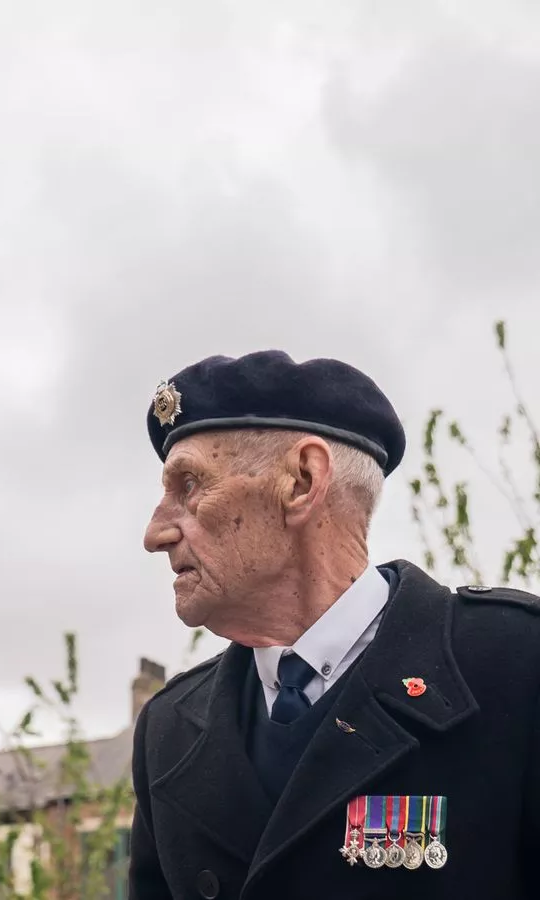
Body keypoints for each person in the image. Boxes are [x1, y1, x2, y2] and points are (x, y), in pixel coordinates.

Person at [129, 350, 540, 899]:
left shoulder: (517, 664)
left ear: (302, 481)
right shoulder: (167, 730)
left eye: (189, 487)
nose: (156, 533)